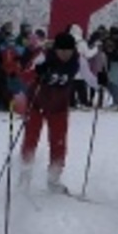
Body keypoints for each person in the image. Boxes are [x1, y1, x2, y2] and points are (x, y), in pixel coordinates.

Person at [19, 32, 82, 193]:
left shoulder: (77, 60)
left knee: (59, 143)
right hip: (36, 104)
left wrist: (100, 79)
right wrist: (37, 72)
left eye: (68, 51)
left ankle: (54, 179)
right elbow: (24, 76)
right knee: (31, 138)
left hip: (58, 107)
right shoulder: (43, 57)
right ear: (55, 49)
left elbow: (91, 78)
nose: (65, 54)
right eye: (61, 50)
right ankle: (25, 176)